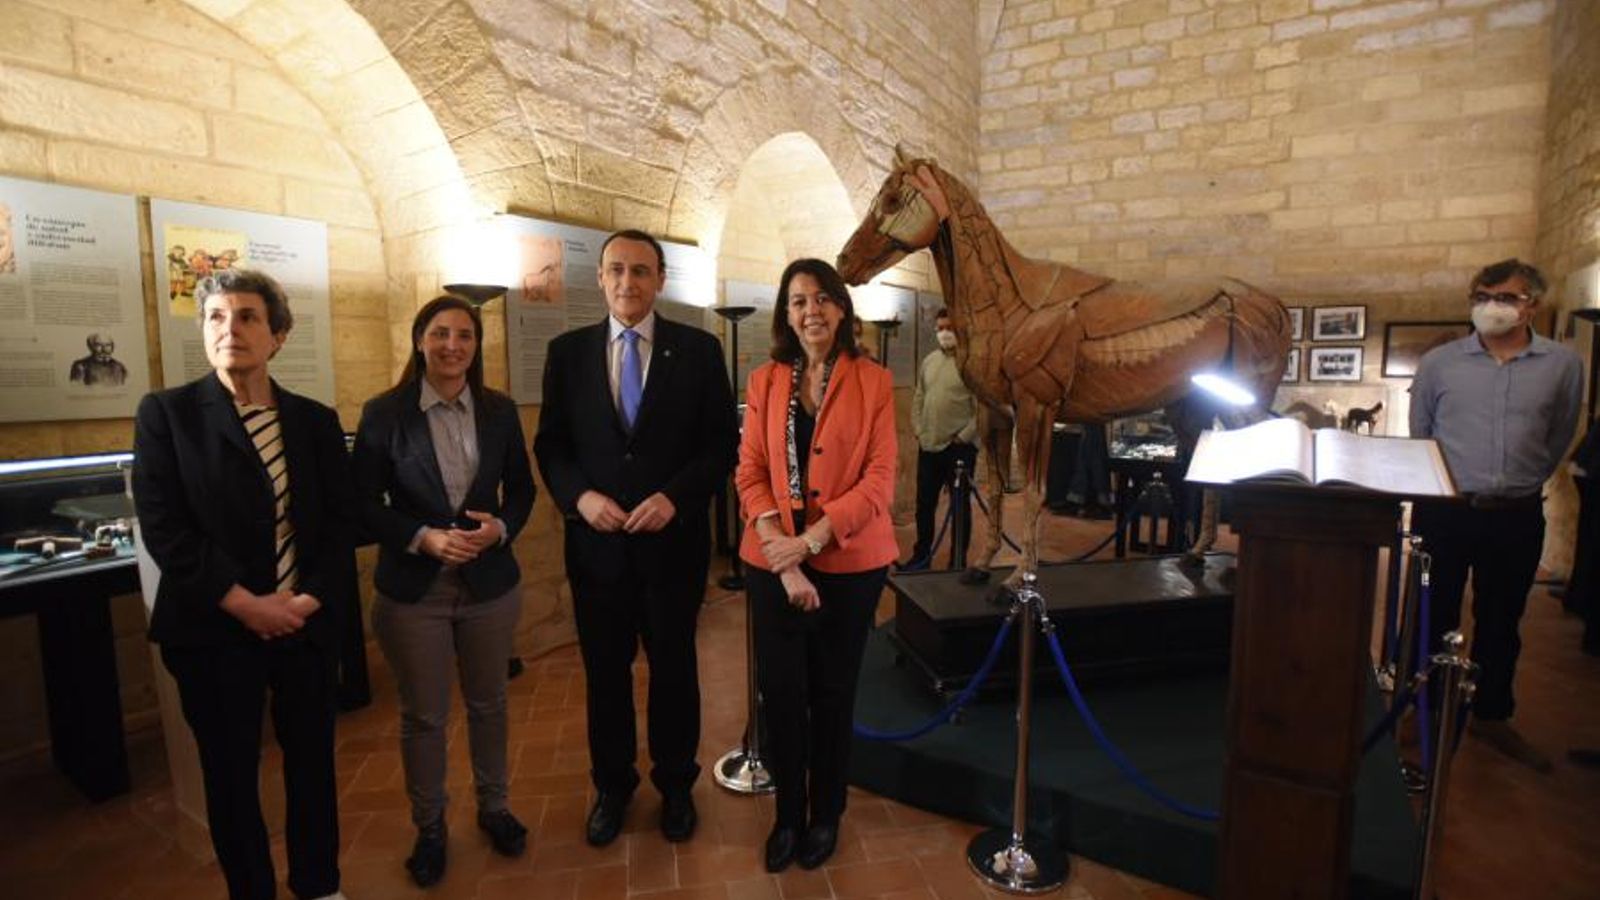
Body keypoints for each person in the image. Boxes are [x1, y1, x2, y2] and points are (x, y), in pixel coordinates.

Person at [131, 269, 353, 900]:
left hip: (304, 626)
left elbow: (341, 523)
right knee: (229, 776)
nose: (232, 329)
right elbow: (166, 528)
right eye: (217, 318)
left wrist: (304, 600)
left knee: (312, 767)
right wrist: (245, 605)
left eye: (249, 317)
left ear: (278, 335)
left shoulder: (313, 421)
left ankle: (318, 884)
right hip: (213, 630)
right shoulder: (167, 416)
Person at [533, 229, 737, 846]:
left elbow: (719, 444)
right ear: (599, 278)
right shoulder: (566, 353)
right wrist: (580, 498)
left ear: (660, 280)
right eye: (617, 270)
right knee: (605, 674)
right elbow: (552, 444)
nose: (628, 282)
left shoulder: (698, 351)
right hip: (597, 552)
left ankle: (677, 786)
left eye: (641, 271)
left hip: (672, 551)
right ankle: (612, 786)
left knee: (675, 671)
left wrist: (675, 498)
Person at [352, 295, 536, 887]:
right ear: (419, 339)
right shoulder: (384, 414)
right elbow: (361, 505)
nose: (452, 345)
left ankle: (495, 808)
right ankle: (430, 827)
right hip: (415, 593)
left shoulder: (500, 411)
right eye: (439, 333)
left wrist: (500, 529)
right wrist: (421, 538)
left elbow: (522, 493)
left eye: (464, 335)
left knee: (490, 704)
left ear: (477, 346)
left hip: (488, 586)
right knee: (425, 717)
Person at [735, 258, 898, 872]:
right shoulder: (765, 381)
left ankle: (826, 812)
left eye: (824, 299)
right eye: (799, 301)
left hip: (850, 561)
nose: (812, 311)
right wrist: (783, 551)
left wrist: (812, 543)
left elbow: (880, 479)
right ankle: (787, 817)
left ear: (842, 310)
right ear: (786, 312)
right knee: (780, 690)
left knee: (833, 690)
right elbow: (749, 471)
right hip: (773, 561)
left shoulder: (873, 382)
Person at [1409, 258, 1582, 772]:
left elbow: (1559, 435)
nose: (1491, 307)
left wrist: (1519, 481)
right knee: (1429, 612)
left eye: (1504, 297)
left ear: (1533, 304)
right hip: (1446, 510)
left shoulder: (1563, 365)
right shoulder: (1440, 364)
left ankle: (1490, 714)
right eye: (1481, 296)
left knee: (1503, 618)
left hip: (1516, 512)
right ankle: (1421, 710)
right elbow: (1423, 433)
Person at [900, 308, 976, 571]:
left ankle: (957, 561)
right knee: (924, 506)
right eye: (939, 328)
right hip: (928, 445)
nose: (944, 333)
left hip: (958, 449)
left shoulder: (971, 363)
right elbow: (920, 395)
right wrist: (918, 428)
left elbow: (982, 407)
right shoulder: (929, 361)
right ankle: (921, 557)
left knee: (960, 509)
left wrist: (963, 437)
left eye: (948, 327)